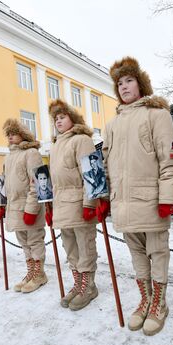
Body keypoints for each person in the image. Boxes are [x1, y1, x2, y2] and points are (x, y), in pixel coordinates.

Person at [99, 57, 173, 336]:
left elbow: (170, 160)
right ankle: (146, 298)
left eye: (129, 80)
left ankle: (159, 303)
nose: (124, 86)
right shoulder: (111, 125)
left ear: (141, 84)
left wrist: (168, 197)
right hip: (122, 203)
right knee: (136, 255)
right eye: (119, 83)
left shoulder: (157, 114)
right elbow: (106, 167)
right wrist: (102, 197)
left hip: (151, 201)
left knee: (157, 253)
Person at [48, 99, 99, 311]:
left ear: (73, 118)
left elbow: (92, 173)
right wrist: (49, 206)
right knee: (69, 245)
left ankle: (89, 286)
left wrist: (90, 202)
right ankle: (78, 283)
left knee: (84, 244)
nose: (58, 121)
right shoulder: (55, 145)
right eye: (56, 119)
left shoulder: (81, 140)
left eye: (62, 117)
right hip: (61, 203)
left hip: (79, 202)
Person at [2, 118, 47, 293]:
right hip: (14, 207)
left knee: (35, 241)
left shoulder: (31, 153)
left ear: (23, 134)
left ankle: (39, 274)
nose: (11, 137)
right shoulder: (9, 156)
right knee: (23, 242)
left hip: (28, 206)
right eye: (8, 135)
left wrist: (31, 208)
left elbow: (37, 181)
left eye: (14, 134)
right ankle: (30, 272)